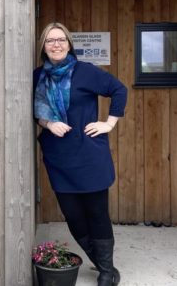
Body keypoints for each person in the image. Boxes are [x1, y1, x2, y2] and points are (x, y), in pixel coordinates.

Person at [33, 22, 127, 286]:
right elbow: (36, 112)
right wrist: (49, 123)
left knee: (97, 214)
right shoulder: (38, 76)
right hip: (59, 159)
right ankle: (100, 262)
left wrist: (108, 123)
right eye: (50, 41)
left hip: (89, 157)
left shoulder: (84, 72)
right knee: (73, 216)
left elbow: (119, 90)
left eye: (61, 40)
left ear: (69, 43)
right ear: (43, 46)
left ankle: (106, 271)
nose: (56, 45)